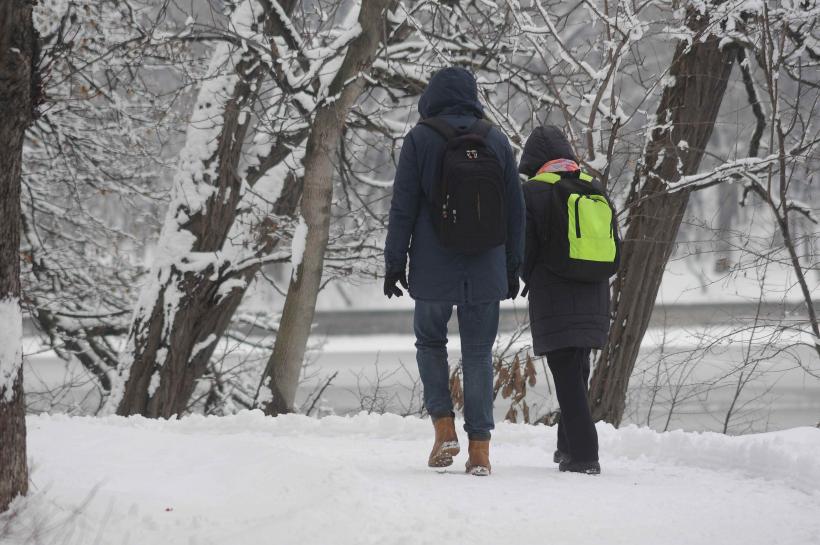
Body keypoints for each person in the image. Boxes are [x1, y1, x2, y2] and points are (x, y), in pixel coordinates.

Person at [383, 67, 524, 476]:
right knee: (478, 353)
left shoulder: (420, 139)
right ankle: (479, 450)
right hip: (486, 265)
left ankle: (444, 427)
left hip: (432, 266)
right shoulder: (496, 140)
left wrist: (395, 262)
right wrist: (513, 264)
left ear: (432, 96)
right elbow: (516, 211)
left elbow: (403, 206)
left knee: (430, 343)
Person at [519, 126, 615, 475]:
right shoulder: (593, 187)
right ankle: (567, 448)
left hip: (555, 295)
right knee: (577, 372)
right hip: (594, 294)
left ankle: (586, 456)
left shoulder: (534, 191)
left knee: (567, 377)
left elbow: (525, 248)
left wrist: (524, 277)